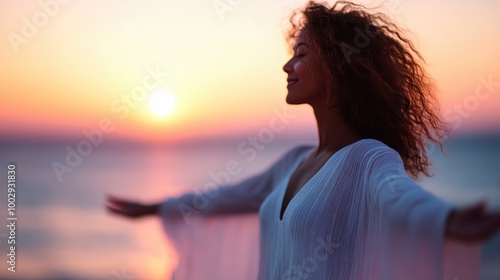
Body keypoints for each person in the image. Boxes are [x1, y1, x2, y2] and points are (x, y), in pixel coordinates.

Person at [107, 1, 500, 279]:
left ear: (337, 67)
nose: (287, 65)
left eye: (301, 54)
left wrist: (447, 220)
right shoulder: (293, 162)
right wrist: (153, 207)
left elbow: (398, 197)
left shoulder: (366, 158)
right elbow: (224, 197)